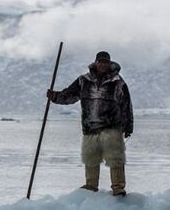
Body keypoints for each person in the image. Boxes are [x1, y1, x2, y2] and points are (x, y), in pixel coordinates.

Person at [47, 51, 133, 196]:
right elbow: (69, 95)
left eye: (105, 62)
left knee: (115, 158)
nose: (103, 64)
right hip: (90, 128)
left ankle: (118, 187)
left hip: (111, 127)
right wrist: (55, 96)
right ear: (95, 63)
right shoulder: (83, 81)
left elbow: (126, 105)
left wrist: (128, 126)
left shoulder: (118, 82)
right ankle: (91, 185)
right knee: (90, 158)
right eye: (100, 62)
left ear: (109, 64)